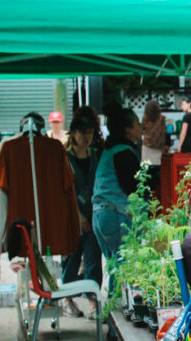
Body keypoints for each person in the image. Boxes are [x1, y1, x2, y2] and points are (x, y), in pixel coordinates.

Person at [61, 113, 102, 319]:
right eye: (82, 133)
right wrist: (79, 217)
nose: (86, 137)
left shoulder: (96, 155)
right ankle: (67, 300)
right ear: (73, 133)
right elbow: (63, 191)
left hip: (94, 216)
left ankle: (93, 304)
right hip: (71, 217)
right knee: (71, 259)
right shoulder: (65, 157)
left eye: (90, 133)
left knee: (93, 259)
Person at [92, 104, 143, 269]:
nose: (141, 127)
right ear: (128, 130)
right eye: (137, 124)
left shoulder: (110, 149)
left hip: (100, 215)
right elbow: (133, 188)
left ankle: (115, 296)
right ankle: (119, 296)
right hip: (115, 215)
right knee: (124, 268)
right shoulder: (123, 152)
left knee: (115, 268)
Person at [140, 99, 168, 167]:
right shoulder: (162, 118)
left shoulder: (145, 118)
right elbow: (164, 131)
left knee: (147, 168)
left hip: (147, 145)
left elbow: (141, 129)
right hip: (158, 146)